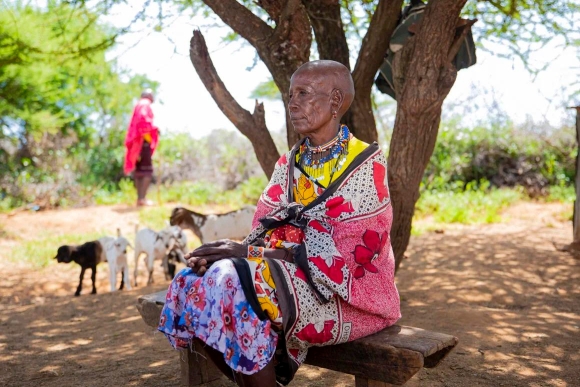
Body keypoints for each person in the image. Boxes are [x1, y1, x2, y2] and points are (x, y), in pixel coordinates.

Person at [158, 60, 401, 386]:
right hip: (286, 273)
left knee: (233, 280)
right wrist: (236, 254)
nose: (292, 103)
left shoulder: (366, 164)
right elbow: (264, 229)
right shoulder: (289, 162)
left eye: (304, 93)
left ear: (334, 102)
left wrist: (247, 256)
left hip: (346, 298)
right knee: (194, 281)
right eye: (290, 95)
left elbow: (344, 258)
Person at [123, 89, 159, 206]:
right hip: (143, 141)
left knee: (139, 171)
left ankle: (140, 199)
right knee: (147, 171)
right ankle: (142, 199)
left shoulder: (138, 104)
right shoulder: (145, 104)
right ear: (149, 96)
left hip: (136, 144)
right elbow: (144, 120)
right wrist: (154, 128)